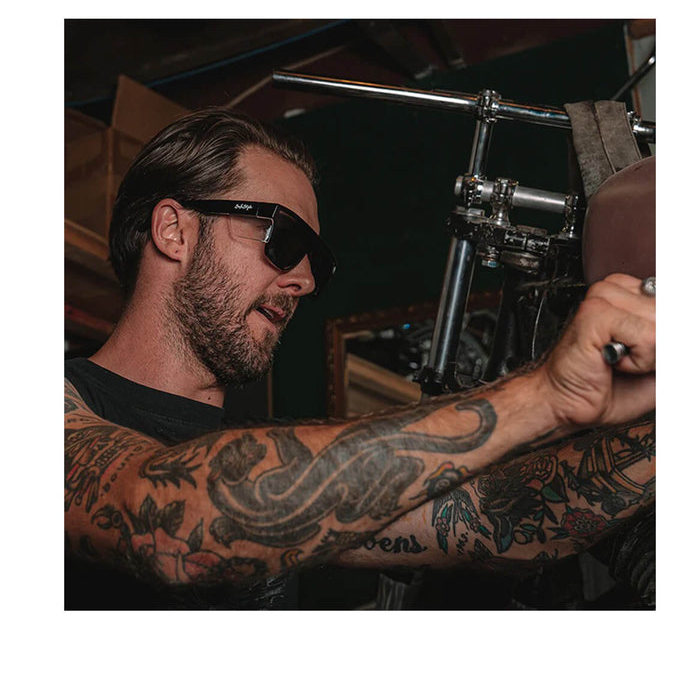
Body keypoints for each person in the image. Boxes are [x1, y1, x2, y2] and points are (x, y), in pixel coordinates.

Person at [65, 108, 656, 609]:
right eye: (283, 239)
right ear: (174, 230)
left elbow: (498, 518)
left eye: (316, 264)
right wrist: (546, 394)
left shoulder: (267, 453)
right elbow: (163, 516)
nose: (302, 281)